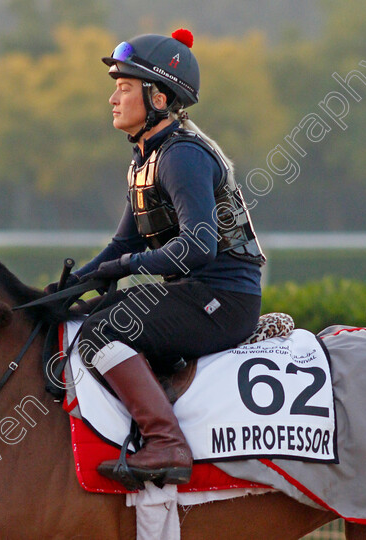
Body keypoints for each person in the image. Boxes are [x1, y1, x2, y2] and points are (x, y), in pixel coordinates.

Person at [58, 29, 266, 487]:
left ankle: (167, 442)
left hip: (224, 301)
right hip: (196, 294)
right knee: (87, 315)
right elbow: (121, 247)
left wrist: (126, 270)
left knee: (104, 330)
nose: (113, 98)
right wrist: (68, 290)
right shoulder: (145, 159)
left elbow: (198, 246)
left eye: (124, 87)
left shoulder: (182, 157)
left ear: (157, 97)